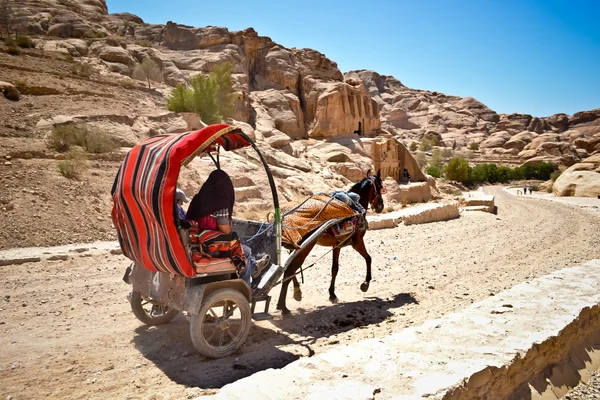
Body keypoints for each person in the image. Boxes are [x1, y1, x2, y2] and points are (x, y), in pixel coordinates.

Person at [186, 170, 270, 284]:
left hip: (193, 242)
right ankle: (245, 286)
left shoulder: (197, 199)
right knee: (245, 251)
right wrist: (229, 224)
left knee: (240, 246)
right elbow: (225, 231)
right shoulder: (221, 204)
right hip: (209, 248)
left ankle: (254, 267)